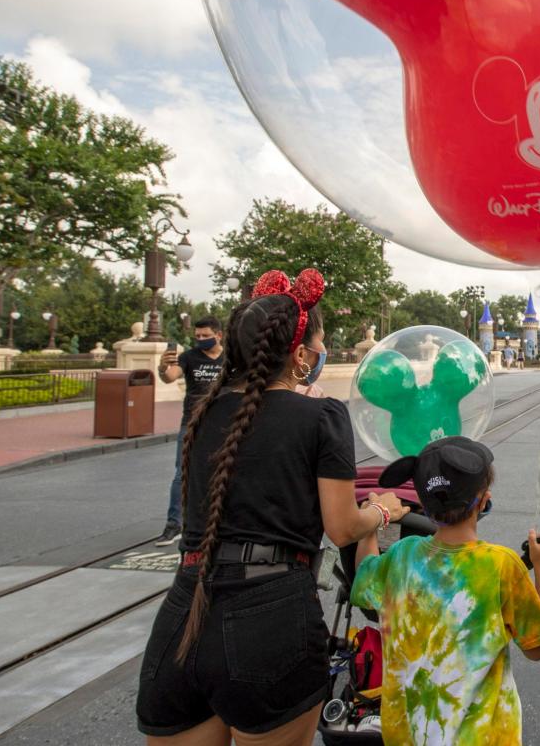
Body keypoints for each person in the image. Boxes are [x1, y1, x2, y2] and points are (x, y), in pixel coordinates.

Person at [136, 269, 409, 745]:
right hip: (270, 617)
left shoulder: (205, 412)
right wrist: (384, 510)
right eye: (320, 342)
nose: (322, 352)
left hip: (184, 611)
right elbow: (343, 527)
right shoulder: (321, 415)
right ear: (301, 354)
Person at [353, 436, 540, 744]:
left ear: (422, 501)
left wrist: (375, 515)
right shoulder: (500, 565)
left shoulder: (401, 556)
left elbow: (365, 572)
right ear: (485, 499)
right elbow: (537, 648)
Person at [155, 316, 225, 546]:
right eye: (197, 337)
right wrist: (163, 366)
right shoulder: (189, 357)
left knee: (223, 471)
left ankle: (219, 521)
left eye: (206, 336)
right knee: (181, 473)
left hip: (222, 421)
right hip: (192, 422)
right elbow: (169, 377)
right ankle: (174, 524)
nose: (201, 340)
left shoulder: (230, 358)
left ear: (219, 335)